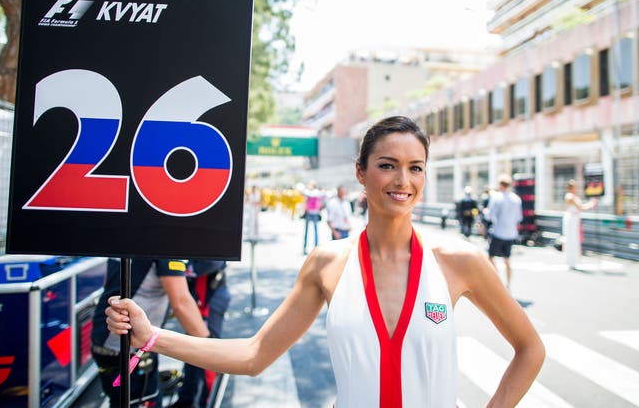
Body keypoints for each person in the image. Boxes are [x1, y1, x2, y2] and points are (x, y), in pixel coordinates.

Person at [105, 116, 545, 408]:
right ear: (360, 172)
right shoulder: (328, 263)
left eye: (416, 168)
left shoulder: (458, 262)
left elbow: (530, 350)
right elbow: (255, 354)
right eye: (388, 165)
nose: (403, 180)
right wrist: (152, 336)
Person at [91, 258, 209, 407]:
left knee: (126, 399)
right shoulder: (165, 243)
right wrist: (209, 342)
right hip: (125, 342)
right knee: (144, 400)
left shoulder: (134, 237)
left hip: (111, 333)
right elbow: (181, 303)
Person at [171, 260, 230, 408]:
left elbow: (213, 261)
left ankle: (206, 402)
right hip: (198, 293)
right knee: (192, 349)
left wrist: (177, 268)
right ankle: (187, 399)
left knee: (208, 351)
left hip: (208, 294)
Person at [486, 174, 523, 290]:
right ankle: (508, 284)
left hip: (499, 232)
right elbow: (519, 218)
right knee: (507, 259)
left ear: (500, 185)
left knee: (491, 258)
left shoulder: (496, 197)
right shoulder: (516, 199)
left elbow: (490, 216)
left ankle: (498, 282)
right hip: (511, 233)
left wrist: (485, 212)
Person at [562, 179, 597, 269]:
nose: (575, 188)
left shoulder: (574, 196)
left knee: (575, 239)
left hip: (575, 219)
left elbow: (580, 207)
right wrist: (591, 203)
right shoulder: (569, 196)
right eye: (573, 186)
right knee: (570, 239)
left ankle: (575, 260)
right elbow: (580, 207)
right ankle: (570, 261)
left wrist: (591, 203)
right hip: (571, 219)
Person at [302, 181, 324, 254]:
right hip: (310, 213)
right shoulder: (312, 192)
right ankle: (306, 247)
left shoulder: (315, 192)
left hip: (313, 213)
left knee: (314, 231)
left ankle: (315, 247)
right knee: (308, 231)